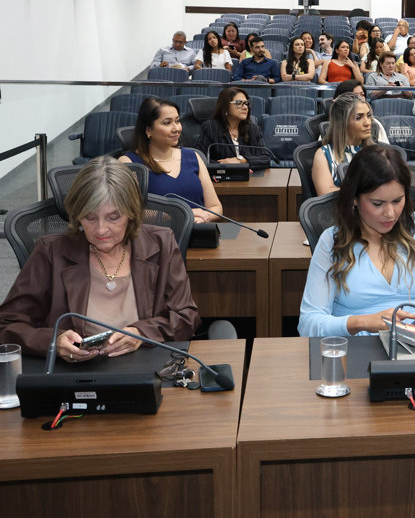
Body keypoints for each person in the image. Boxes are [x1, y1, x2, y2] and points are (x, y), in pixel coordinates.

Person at [0, 156, 201, 358]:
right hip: (74, 371)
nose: (101, 229)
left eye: (113, 217)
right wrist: (53, 341)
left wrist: (142, 333)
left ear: (131, 213)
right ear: (77, 215)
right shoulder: (50, 251)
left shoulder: (161, 243)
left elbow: (186, 317)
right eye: (90, 217)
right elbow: (7, 324)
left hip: (147, 365)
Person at [298, 144, 415, 337]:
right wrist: (362, 322)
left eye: (397, 201)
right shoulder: (332, 241)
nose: (390, 213)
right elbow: (308, 323)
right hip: (358, 348)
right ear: (354, 198)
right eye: (378, 204)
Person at [120, 97, 223, 223]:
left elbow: (215, 207)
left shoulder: (193, 157)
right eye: (167, 123)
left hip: (199, 230)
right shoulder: (129, 163)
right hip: (156, 234)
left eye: (177, 121)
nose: (177, 128)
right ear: (148, 129)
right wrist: (185, 214)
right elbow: (129, 212)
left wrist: (205, 217)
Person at [312, 93, 379, 195]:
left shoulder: (377, 152)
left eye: (368, 115)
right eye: (358, 117)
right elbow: (325, 194)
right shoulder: (324, 155)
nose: (367, 123)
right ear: (342, 122)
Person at [195, 86, 271, 170]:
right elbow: (199, 157)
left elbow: (266, 159)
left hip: (250, 176)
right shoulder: (211, 127)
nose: (245, 107)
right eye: (239, 103)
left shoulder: (252, 129)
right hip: (221, 176)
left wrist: (242, 161)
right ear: (226, 106)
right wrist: (228, 167)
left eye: (246, 103)